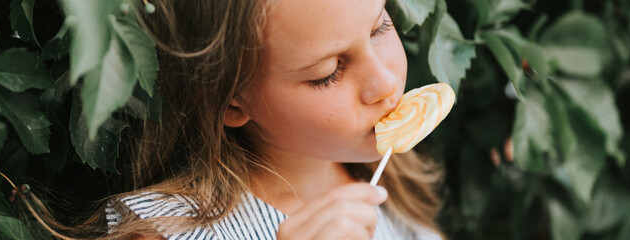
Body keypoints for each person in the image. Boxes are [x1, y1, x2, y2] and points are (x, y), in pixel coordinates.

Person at [103, 0, 445, 239]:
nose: (385, 83)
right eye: (327, 73)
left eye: (379, 27)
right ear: (229, 104)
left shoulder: (394, 184)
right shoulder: (163, 230)